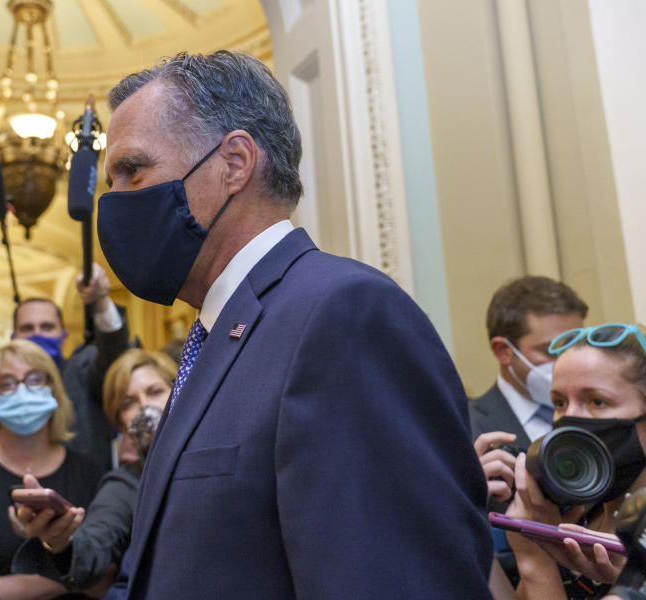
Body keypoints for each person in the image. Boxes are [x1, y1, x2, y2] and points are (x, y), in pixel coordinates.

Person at [96, 50, 491, 598]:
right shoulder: (216, 336)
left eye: (132, 171)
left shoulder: (343, 316)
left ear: (234, 164)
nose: (113, 202)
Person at [0, 339, 104, 600]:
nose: (22, 391)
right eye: (6, 383)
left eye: (34, 379)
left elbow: (106, 574)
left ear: (53, 388)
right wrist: (71, 580)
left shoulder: (87, 471)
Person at [10, 350, 176, 593]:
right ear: (121, 424)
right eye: (128, 403)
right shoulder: (126, 483)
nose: (145, 406)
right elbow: (96, 543)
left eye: (155, 392)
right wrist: (61, 542)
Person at [503, 323, 646, 599]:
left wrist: (536, 557)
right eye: (559, 403)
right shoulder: (578, 513)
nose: (570, 417)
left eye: (597, 401)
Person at [471, 276, 588, 505]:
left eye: (576, 346)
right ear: (503, 350)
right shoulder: (465, 428)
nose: (566, 360)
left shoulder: (603, 414)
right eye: (551, 350)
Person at [13, 263, 129, 471]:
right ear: (14, 338)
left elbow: (113, 356)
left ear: (63, 336)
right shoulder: (3, 387)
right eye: (27, 328)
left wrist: (101, 301)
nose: (37, 334)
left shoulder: (82, 371)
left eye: (47, 327)